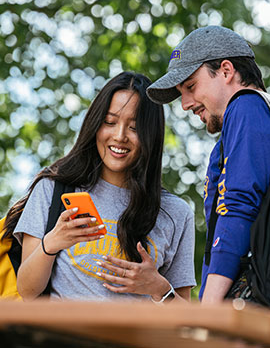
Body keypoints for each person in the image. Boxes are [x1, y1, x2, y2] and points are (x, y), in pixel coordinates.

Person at [146, 25, 270, 304]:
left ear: (226, 71)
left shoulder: (247, 108)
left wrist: (209, 312)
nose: (185, 104)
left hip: (260, 311)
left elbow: (238, 207)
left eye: (191, 87)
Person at [6, 71, 196, 302]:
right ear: (95, 124)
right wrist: (53, 242)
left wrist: (158, 288)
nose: (119, 136)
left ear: (151, 135)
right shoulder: (53, 190)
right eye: (109, 122)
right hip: (63, 337)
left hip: (132, 339)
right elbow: (27, 291)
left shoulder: (176, 212)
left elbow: (187, 319)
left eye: (134, 128)